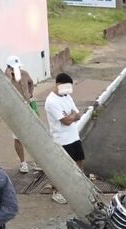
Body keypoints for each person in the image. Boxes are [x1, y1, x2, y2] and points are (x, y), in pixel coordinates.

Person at [44, 73, 83, 204]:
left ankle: (78, 186)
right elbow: (65, 121)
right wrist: (71, 117)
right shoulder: (51, 101)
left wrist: (71, 116)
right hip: (61, 139)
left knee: (79, 161)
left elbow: (78, 114)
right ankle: (57, 192)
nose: (68, 91)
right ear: (58, 85)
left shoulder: (66, 96)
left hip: (74, 136)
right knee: (62, 168)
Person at [5, 55, 36, 174]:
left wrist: (30, 94)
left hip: (27, 106)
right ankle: (23, 162)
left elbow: (31, 83)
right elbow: (5, 91)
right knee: (17, 137)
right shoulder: (5, 77)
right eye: (14, 67)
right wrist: (8, 77)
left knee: (33, 134)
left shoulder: (24, 73)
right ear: (9, 68)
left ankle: (39, 160)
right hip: (14, 110)